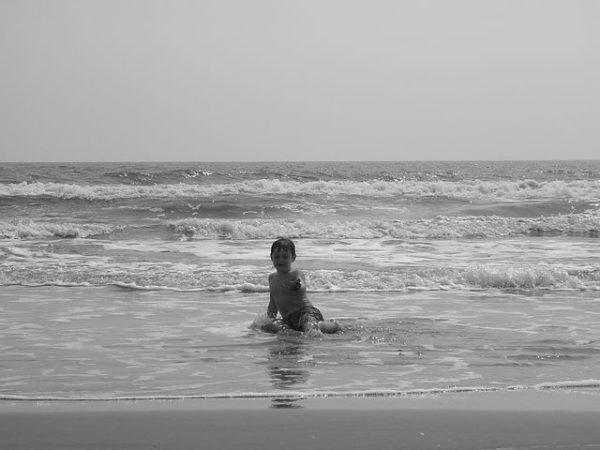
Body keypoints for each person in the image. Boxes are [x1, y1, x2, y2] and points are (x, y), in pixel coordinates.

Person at [266, 238, 339, 334]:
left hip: (305, 313)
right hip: (288, 319)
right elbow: (273, 303)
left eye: (285, 257)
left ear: (293, 258)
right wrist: (269, 320)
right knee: (267, 328)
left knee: (311, 331)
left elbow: (301, 285)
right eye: (277, 256)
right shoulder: (272, 278)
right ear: (271, 257)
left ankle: (330, 326)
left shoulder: (295, 273)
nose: (281, 260)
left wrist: (295, 285)